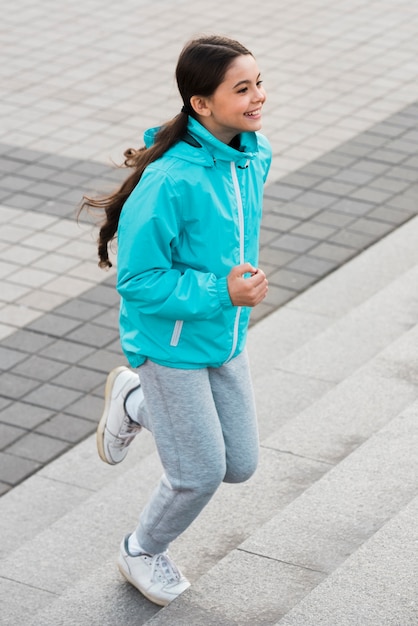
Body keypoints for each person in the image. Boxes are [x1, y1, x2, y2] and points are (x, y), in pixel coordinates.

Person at [81, 34, 272, 607]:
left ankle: (135, 404)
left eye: (260, 82)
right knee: (198, 473)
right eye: (242, 89)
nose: (258, 97)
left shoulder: (252, 154)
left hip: (224, 335)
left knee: (239, 463)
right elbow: (137, 282)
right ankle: (140, 550)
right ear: (201, 105)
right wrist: (222, 289)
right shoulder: (169, 180)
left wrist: (230, 296)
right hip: (167, 345)